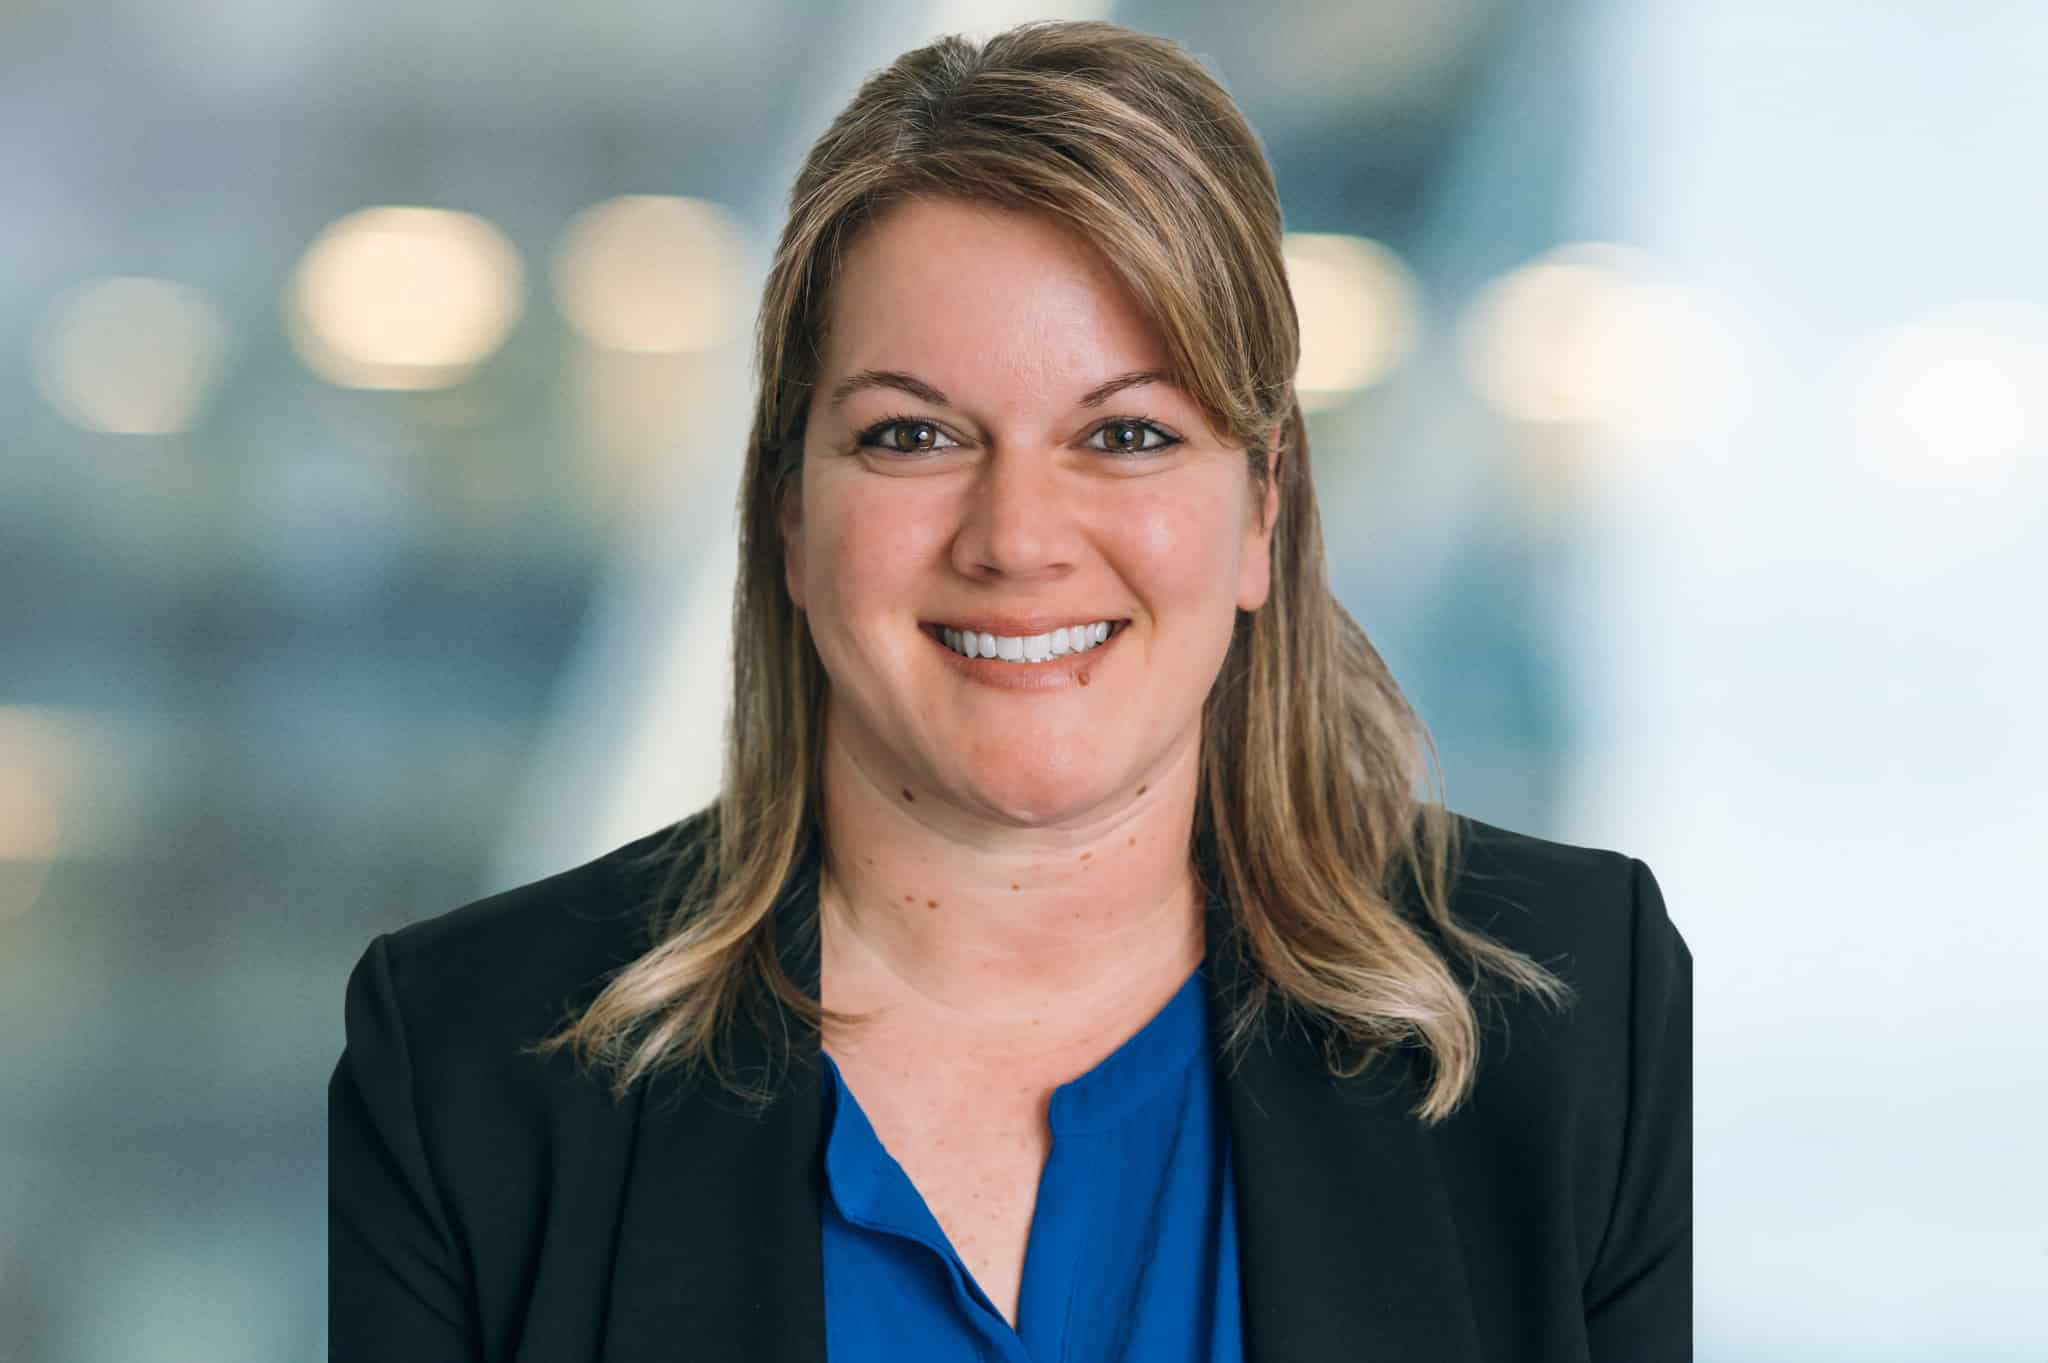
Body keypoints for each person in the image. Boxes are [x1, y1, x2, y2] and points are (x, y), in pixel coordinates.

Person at [329, 19, 1691, 1363]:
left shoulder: (1573, 1007)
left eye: (1126, 434)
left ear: (1261, 509)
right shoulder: (467, 1057)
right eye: (912, 435)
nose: (1017, 536)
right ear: (789, 517)